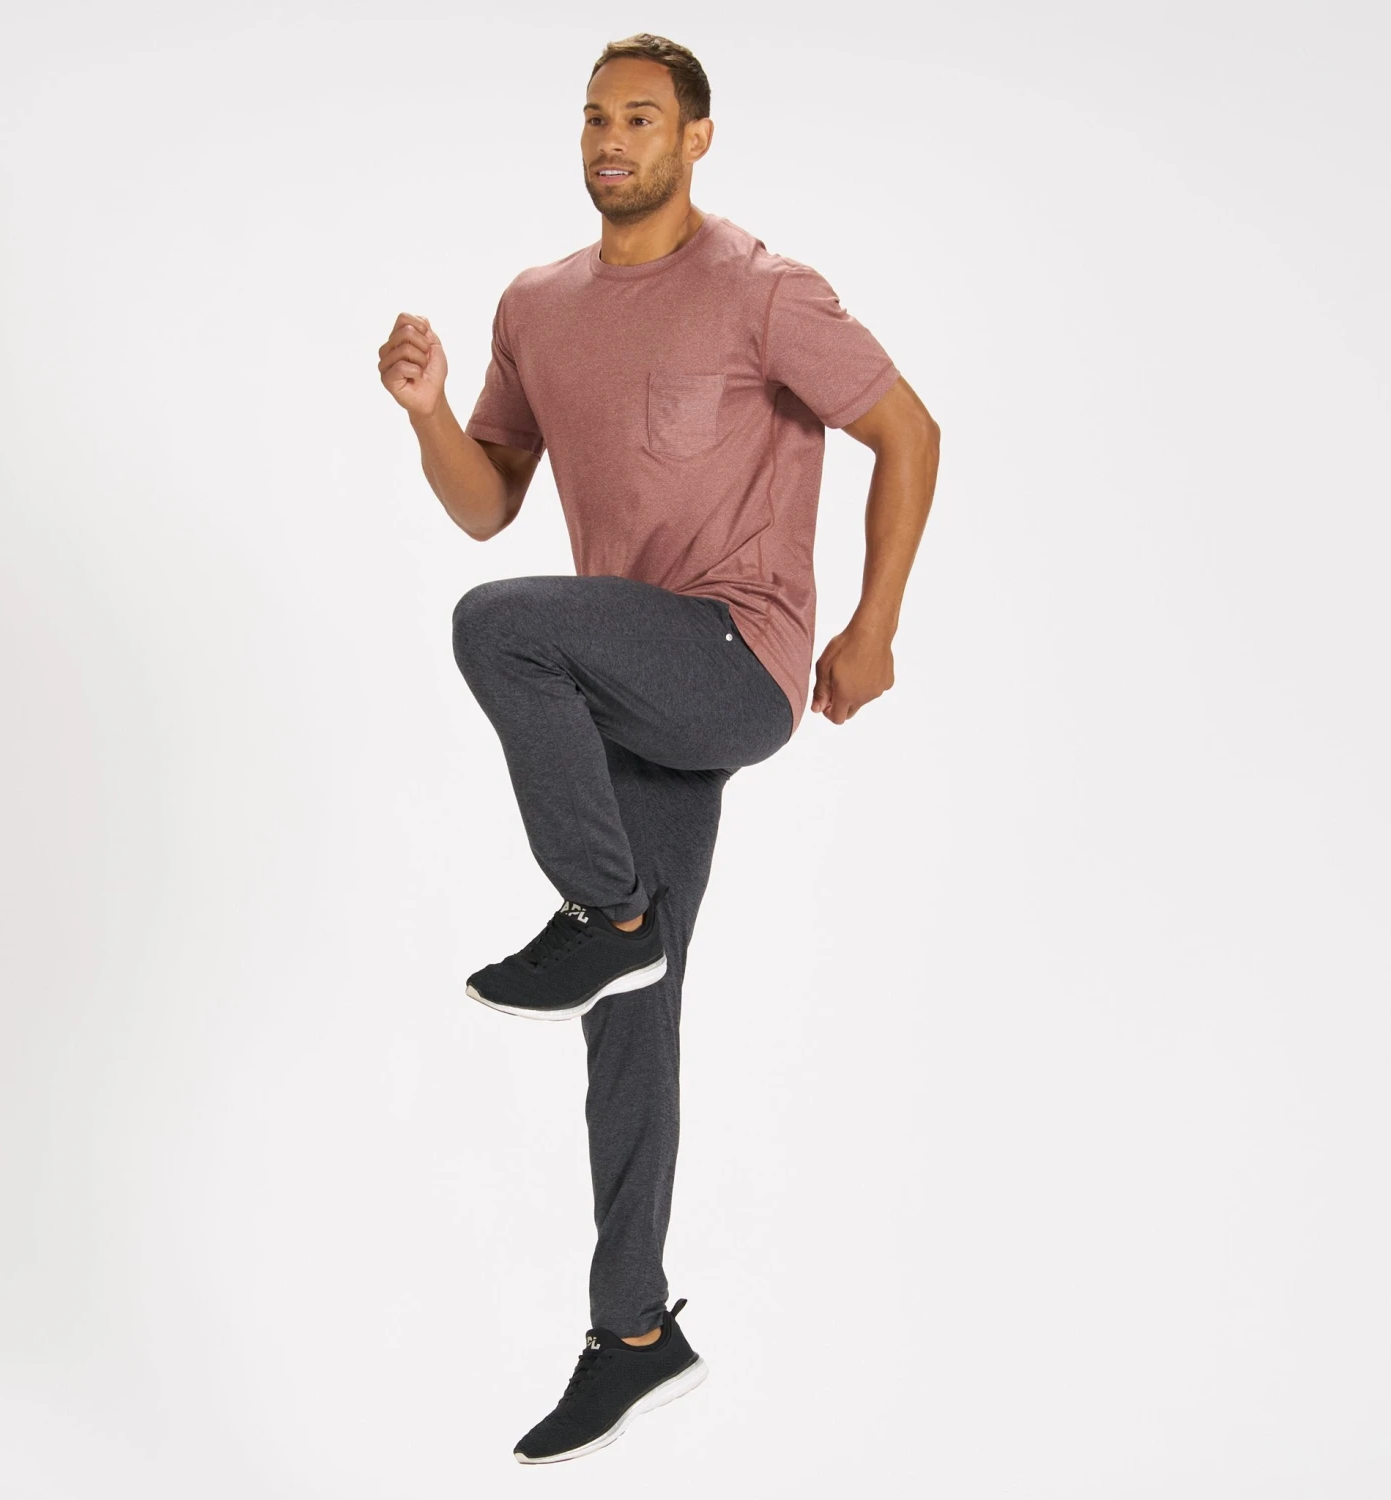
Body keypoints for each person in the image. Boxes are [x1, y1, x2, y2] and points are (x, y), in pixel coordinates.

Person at [377, 32, 939, 1465]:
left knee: (498, 628)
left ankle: (609, 915)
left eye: (640, 117)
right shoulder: (536, 306)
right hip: (623, 682)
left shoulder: (763, 289)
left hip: (734, 657)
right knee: (631, 1022)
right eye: (593, 117)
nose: (610, 139)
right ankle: (633, 1329)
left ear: (696, 138)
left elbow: (910, 431)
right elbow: (490, 505)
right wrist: (432, 414)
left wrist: (871, 626)